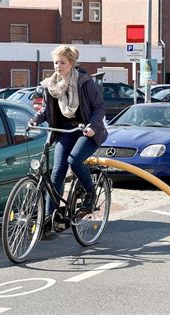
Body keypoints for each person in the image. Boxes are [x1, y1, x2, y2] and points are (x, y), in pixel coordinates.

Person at [28, 45, 108, 234]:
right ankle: (49, 218)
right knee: (57, 172)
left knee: (74, 160)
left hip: (86, 130)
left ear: (71, 63)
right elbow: (46, 110)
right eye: (55, 62)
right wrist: (35, 119)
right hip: (64, 130)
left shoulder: (84, 82)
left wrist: (92, 127)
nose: (58, 66)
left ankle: (90, 193)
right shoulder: (51, 85)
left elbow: (99, 108)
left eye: (62, 62)